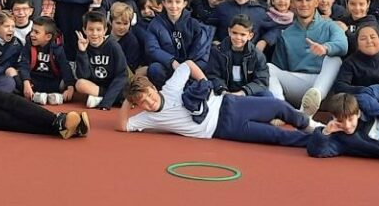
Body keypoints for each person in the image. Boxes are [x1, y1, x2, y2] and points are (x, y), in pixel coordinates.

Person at [121, 59, 315, 146]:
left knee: (277, 106)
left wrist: (205, 82)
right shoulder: (148, 118)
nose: (148, 102)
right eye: (141, 102)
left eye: (148, 95)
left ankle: (312, 127)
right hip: (224, 128)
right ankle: (317, 140)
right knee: (276, 136)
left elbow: (188, 64)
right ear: (136, 105)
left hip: (228, 103)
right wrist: (126, 101)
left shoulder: (170, 88)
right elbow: (123, 126)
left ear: (154, 88)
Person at [267, 0, 346, 112]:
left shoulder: (330, 26)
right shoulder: (286, 34)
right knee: (268, 68)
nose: (304, 4)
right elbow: (280, 68)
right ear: (292, 3)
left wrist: (325, 48)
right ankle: (280, 109)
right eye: (299, 0)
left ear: (316, 2)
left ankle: (309, 105)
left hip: (324, 84)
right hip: (298, 83)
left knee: (335, 59)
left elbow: (343, 45)